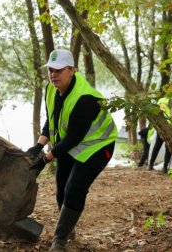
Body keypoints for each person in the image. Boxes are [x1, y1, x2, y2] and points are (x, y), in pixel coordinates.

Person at [26, 49, 117, 251]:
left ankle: (59, 239)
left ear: (72, 70)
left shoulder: (85, 98)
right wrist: (38, 146)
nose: (53, 74)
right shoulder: (52, 89)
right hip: (71, 143)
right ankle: (68, 228)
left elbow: (74, 137)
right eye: (50, 69)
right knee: (61, 189)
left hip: (98, 145)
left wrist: (45, 159)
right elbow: (52, 120)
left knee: (74, 188)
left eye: (58, 70)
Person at [147, 97, 172, 173]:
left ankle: (150, 164)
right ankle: (165, 167)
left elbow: (158, 111)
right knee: (168, 147)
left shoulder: (161, 100)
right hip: (170, 127)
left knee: (157, 146)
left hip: (161, 125)